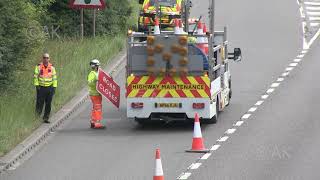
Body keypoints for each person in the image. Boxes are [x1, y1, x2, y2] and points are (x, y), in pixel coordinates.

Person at [34, 53, 57, 123]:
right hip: (41, 88)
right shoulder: (38, 67)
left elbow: (54, 78)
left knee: (48, 103)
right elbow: (35, 77)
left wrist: (54, 87)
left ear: (49, 59)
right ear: (42, 58)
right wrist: (37, 85)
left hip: (50, 87)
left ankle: (46, 118)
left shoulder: (52, 67)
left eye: (47, 58)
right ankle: (36, 117)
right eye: (44, 58)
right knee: (39, 103)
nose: (46, 59)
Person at [87, 59, 104, 129]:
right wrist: (95, 81)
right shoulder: (92, 74)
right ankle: (97, 123)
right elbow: (90, 83)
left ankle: (93, 122)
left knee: (95, 108)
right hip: (95, 94)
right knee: (98, 108)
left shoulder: (98, 73)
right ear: (96, 66)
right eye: (98, 66)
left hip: (98, 93)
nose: (99, 67)